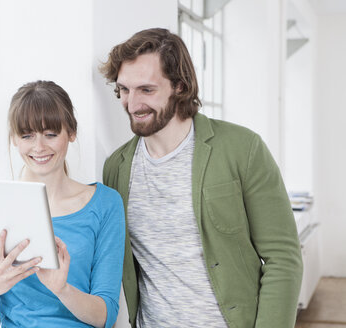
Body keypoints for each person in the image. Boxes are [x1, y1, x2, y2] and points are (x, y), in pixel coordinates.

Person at [100, 28, 303, 328]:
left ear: (180, 86)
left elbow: (283, 258)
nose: (132, 104)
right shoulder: (116, 168)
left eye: (147, 89)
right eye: (124, 90)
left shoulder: (242, 149)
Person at [0, 80, 125, 328]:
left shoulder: (105, 204)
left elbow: (106, 316)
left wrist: (62, 289)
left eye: (51, 134)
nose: (39, 147)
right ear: (14, 139)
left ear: (71, 133)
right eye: (27, 135)